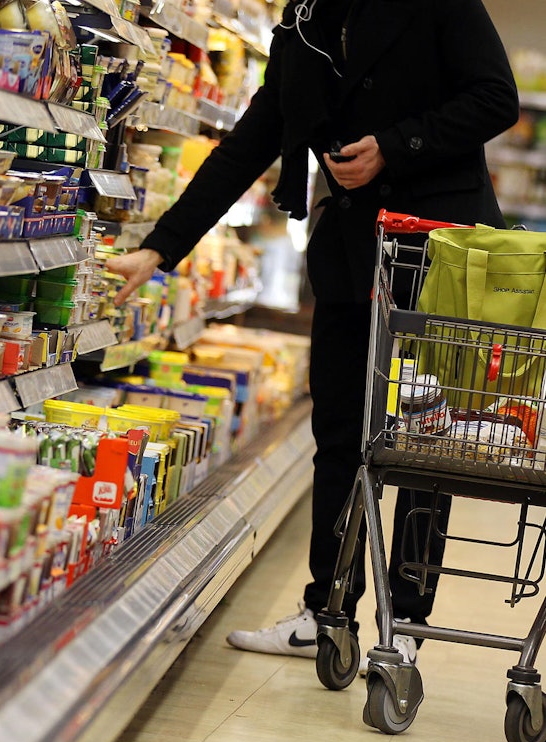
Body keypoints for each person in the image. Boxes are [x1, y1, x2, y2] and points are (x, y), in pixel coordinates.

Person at [107, 0, 520, 665]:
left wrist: (393, 147)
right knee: (338, 436)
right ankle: (327, 612)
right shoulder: (305, 21)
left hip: (437, 254)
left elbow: (495, 98)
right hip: (351, 255)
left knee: (425, 445)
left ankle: (406, 624)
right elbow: (251, 141)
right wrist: (160, 247)